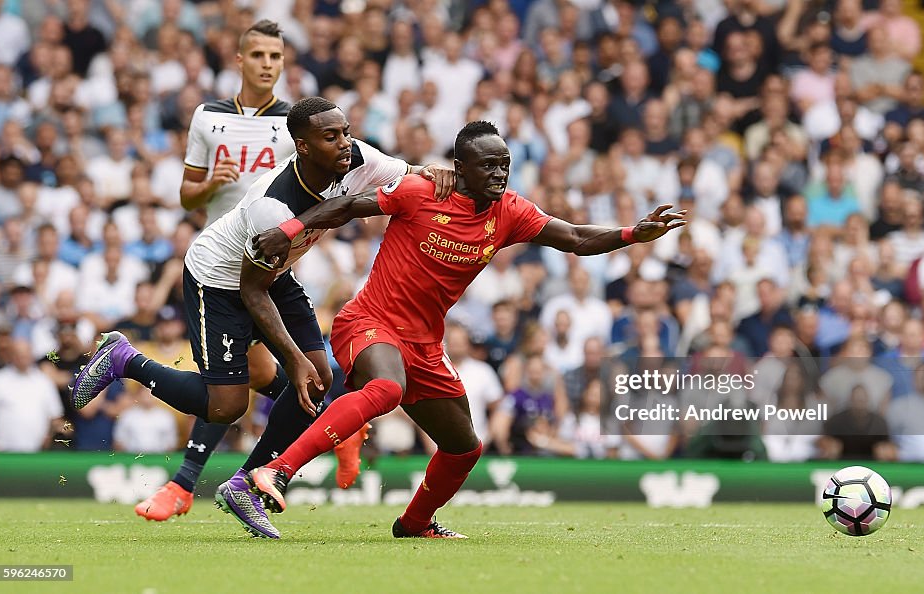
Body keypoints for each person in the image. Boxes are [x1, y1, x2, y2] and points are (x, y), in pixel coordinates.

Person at [239, 120, 686, 539]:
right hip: (369, 322)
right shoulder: (420, 191)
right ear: (460, 168)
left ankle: (416, 523)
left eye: (504, 164)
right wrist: (291, 228)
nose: (499, 173)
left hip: (425, 343)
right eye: (488, 165)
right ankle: (277, 470)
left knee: (464, 448)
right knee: (387, 389)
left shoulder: (509, 212)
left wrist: (631, 233)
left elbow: (575, 238)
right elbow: (349, 205)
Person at [70, 97, 454, 538]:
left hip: (274, 273)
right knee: (228, 405)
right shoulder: (273, 206)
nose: (345, 143)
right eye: (331, 137)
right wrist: (292, 358)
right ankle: (123, 359)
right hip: (221, 280)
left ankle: (246, 485)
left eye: (345, 131)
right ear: (302, 147)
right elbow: (250, 289)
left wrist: (438, 172)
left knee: (319, 377)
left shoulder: (358, 157)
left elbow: (412, 175)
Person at [134, 19, 300, 523]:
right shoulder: (209, 118)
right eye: (259, 56)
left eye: (276, 56)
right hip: (222, 265)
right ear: (240, 60)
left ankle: (186, 485)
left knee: (259, 378)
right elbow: (187, 195)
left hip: (273, 267)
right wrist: (211, 184)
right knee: (244, 383)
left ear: (283, 63)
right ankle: (192, 484)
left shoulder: (298, 122)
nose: (267, 64)